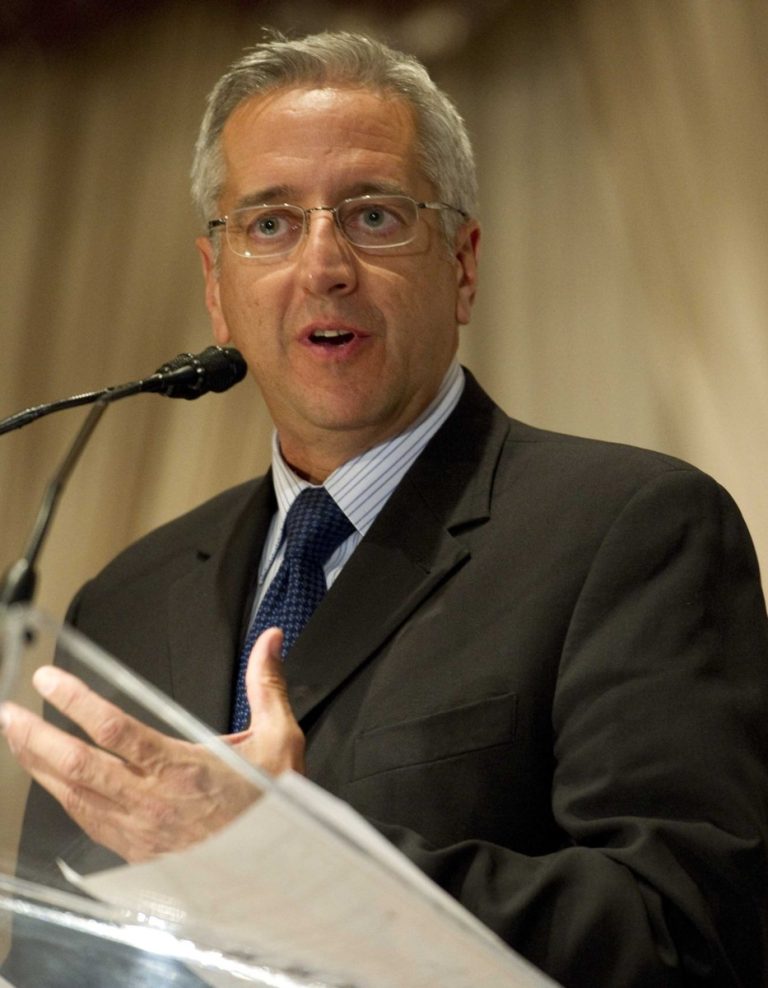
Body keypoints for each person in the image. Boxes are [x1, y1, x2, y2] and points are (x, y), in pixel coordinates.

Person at [2, 29, 768, 988]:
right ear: (217, 286)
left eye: (373, 216)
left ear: (462, 266)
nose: (323, 265)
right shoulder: (124, 600)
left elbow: (686, 933)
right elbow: (49, 953)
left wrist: (294, 871)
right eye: (271, 224)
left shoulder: (632, 530)